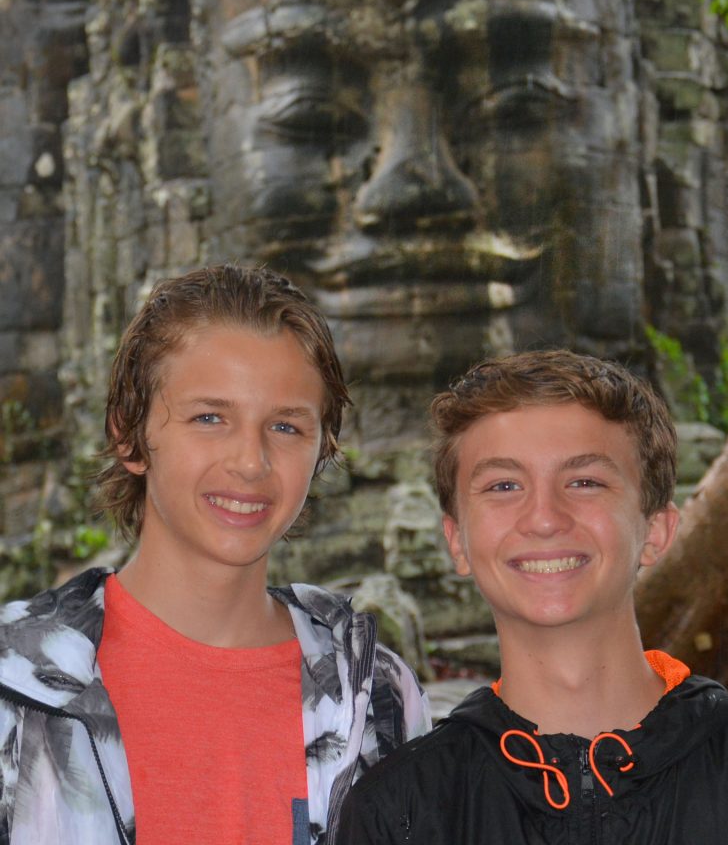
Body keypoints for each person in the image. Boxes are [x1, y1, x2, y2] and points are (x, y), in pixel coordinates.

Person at [336, 349, 728, 843]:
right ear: (457, 542)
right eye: (504, 486)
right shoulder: (399, 810)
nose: (545, 518)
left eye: (585, 482)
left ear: (657, 531)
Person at [0, 264, 429, 845]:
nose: (251, 462)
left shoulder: (378, 698)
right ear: (128, 434)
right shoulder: (14, 681)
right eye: (209, 418)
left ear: (321, 450)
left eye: (285, 426)